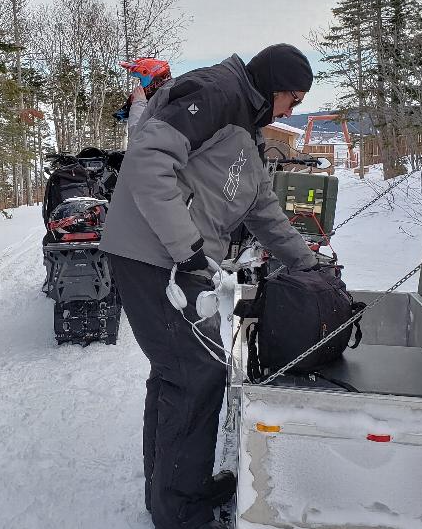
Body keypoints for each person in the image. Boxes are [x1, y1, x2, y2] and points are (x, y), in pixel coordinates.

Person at [99, 43, 319, 529]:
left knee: (176, 372)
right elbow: (146, 159)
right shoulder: (216, 93)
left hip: (175, 258)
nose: (293, 110)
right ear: (276, 87)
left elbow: (263, 211)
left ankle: (171, 493)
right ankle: (182, 514)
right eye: (295, 99)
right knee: (196, 374)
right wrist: (190, 250)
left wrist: (309, 267)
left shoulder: (246, 128)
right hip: (156, 254)